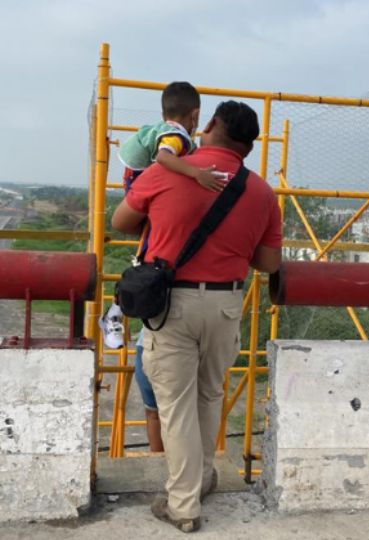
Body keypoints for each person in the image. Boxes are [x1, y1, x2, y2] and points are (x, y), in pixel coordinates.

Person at [111, 100, 282, 533]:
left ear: (210, 126)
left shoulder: (167, 170)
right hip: (226, 305)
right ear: (248, 145)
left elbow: (121, 221)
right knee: (208, 396)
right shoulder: (261, 192)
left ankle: (183, 505)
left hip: (173, 305)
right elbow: (267, 262)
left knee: (176, 406)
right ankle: (202, 478)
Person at [104, 82, 227, 453]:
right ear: (194, 117)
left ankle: (116, 310)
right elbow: (163, 158)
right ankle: (116, 310)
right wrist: (196, 175)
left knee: (145, 251)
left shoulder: (164, 128)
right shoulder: (174, 138)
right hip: (142, 185)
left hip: (137, 187)